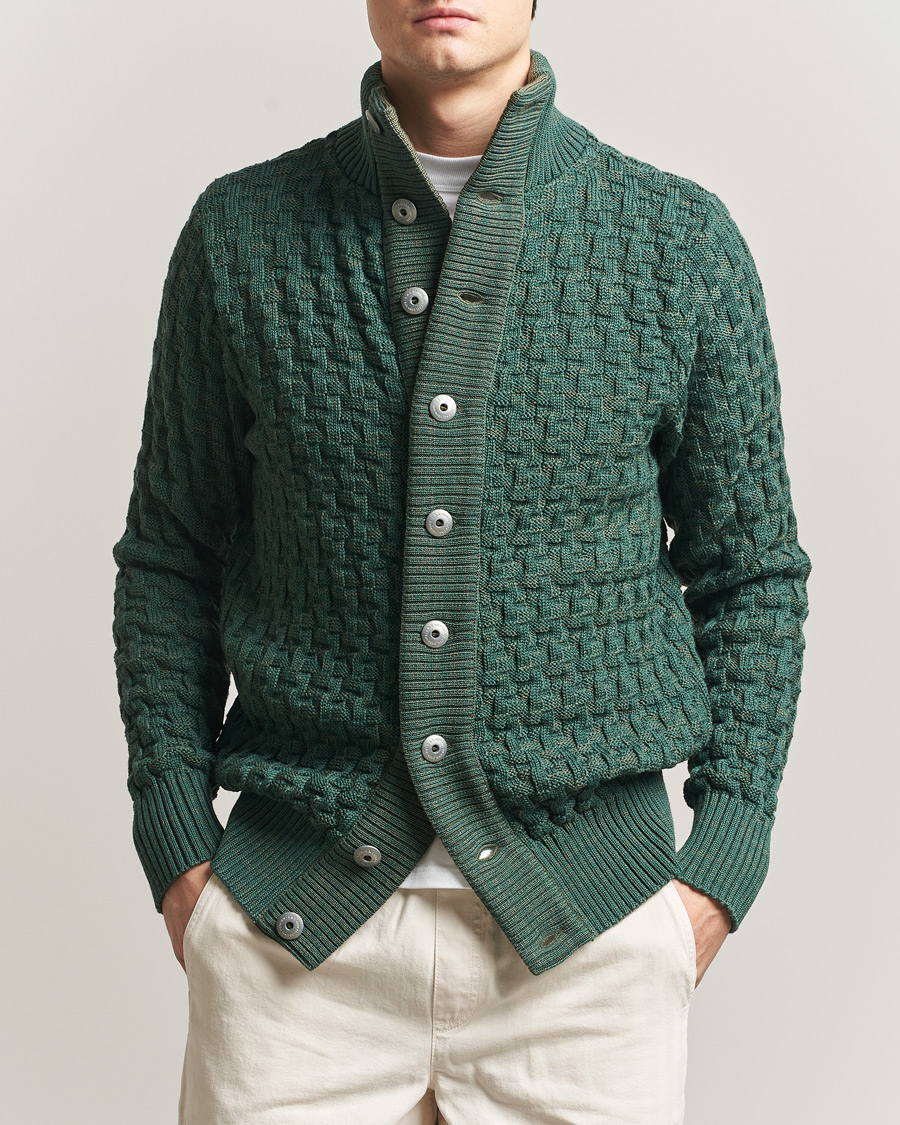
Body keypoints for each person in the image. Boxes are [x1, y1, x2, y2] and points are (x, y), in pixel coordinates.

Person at [110, 1, 812, 1122]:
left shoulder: (676, 241)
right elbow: (168, 558)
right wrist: (179, 848)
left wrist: (721, 865)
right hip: (290, 939)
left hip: (592, 945)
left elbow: (752, 571)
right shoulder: (240, 236)